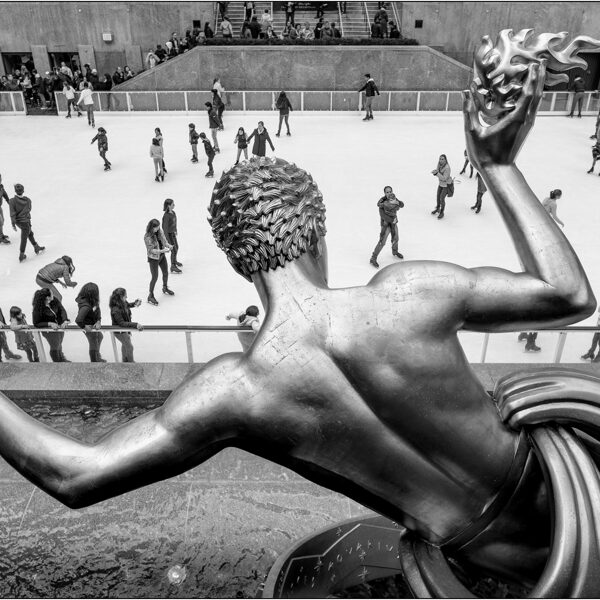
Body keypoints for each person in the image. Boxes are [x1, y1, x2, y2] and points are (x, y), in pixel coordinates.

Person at [0, 60, 597, 587]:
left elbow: (71, 476)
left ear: (239, 263)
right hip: (570, 489)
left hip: (487, 557)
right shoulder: (411, 292)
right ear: (316, 229)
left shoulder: (235, 392)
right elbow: (566, 293)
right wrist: (497, 163)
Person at [32, 287, 70, 362]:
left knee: (59, 343)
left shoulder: (54, 300)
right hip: (49, 331)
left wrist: (65, 320)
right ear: (47, 297)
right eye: (51, 294)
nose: (53, 294)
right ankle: (57, 362)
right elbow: (36, 323)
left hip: (59, 327)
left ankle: (61, 357)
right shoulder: (38, 307)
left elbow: (62, 309)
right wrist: (49, 323)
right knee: (55, 346)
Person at [369, 186, 404, 268]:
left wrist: (398, 203)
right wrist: (392, 220)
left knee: (396, 238)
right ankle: (373, 258)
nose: (389, 193)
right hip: (386, 225)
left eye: (390, 191)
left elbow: (401, 205)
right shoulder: (383, 203)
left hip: (394, 223)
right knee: (382, 241)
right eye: (387, 192)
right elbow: (383, 215)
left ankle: (395, 252)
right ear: (384, 193)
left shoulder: (393, 198)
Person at [9, 183, 45, 263]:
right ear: (23, 191)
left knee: (30, 233)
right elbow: (29, 209)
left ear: (15, 191)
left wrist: (13, 223)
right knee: (24, 237)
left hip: (19, 222)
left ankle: (36, 247)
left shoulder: (12, 201)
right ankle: (21, 255)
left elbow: (12, 213)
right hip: (26, 221)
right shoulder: (28, 200)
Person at [144, 219, 173, 306]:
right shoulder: (147, 237)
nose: (158, 228)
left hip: (161, 256)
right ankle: (150, 295)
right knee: (155, 277)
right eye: (156, 227)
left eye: (158, 227)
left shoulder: (159, 231)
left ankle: (165, 288)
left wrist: (168, 245)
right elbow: (151, 250)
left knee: (165, 273)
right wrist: (162, 251)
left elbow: (164, 240)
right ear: (152, 227)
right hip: (153, 259)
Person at [109, 288, 143, 363]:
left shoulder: (122, 302)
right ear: (120, 297)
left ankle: (125, 360)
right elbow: (122, 323)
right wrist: (135, 324)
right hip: (120, 332)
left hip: (124, 330)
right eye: (125, 296)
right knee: (129, 347)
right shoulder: (115, 309)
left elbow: (127, 305)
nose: (126, 297)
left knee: (125, 344)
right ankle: (130, 363)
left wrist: (134, 303)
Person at [75, 282, 105, 363]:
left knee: (100, 337)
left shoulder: (93, 302)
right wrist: (85, 327)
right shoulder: (85, 306)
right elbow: (78, 320)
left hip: (93, 325)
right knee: (93, 343)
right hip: (88, 326)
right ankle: (94, 361)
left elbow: (97, 311)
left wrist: (98, 321)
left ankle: (97, 356)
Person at [162, 198, 182, 274]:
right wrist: (167, 240)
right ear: (168, 206)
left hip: (173, 233)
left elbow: (174, 223)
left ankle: (174, 260)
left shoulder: (173, 213)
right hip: (169, 235)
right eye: (172, 204)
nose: (174, 205)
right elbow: (165, 228)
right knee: (173, 249)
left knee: (177, 247)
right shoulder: (166, 216)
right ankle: (173, 266)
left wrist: (175, 230)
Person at [431, 154, 452, 219]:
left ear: (445, 160)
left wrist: (437, 174)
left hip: (446, 185)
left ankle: (442, 212)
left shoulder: (447, 168)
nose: (441, 160)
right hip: (440, 184)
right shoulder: (439, 165)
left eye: (442, 159)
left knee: (442, 198)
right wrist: (435, 172)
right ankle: (437, 208)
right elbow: (438, 171)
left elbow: (444, 178)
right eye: (440, 159)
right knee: (438, 197)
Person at [0, 173, 10, 244]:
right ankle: (0, 237)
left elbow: (5, 195)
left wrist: (9, 202)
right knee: (0, 221)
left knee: (2, 220)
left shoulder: (1, 187)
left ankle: (1, 234)